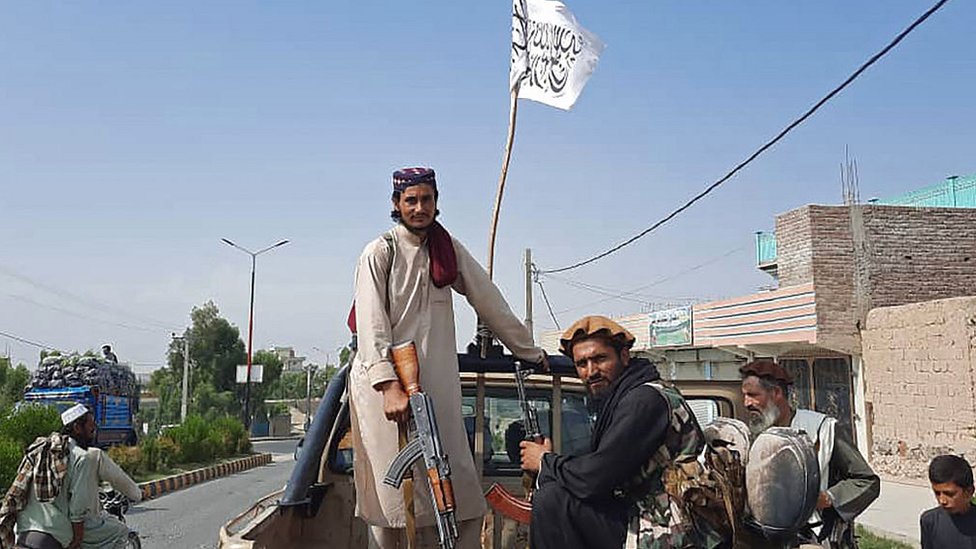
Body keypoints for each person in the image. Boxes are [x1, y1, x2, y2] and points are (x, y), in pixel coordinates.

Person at [349, 166, 546, 549]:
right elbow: (371, 327)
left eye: (426, 199)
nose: (419, 207)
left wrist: (528, 350)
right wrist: (388, 385)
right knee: (389, 501)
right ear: (396, 204)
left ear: (437, 203)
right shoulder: (380, 253)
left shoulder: (446, 249)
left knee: (458, 489)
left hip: (436, 386)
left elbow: (488, 299)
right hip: (385, 390)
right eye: (411, 200)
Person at [520, 315, 722, 549]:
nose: (591, 371)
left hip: (674, 529)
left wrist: (545, 461)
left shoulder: (645, 400)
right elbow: (601, 467)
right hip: (647, 513)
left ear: (624, 357)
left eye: (600, 359)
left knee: (553, 500)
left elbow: (595, 478)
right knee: (556, 494)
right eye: (581, 364)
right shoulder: (623, 398)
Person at [740, 360, 880, 548]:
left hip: (813, 536)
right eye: (745, 395)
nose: (746, 403)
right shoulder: (751, 436)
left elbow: (866, 482)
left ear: (776, 393)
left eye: (753, 395)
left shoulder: (822, 429)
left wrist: (828, 498)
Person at [2, 404, 91, 549]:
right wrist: (77, 539)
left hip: (24, 532)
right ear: (77, 428)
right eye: (90, 424)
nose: (94, 428)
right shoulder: (80, 458)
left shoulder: (41, 449)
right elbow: (77, 508)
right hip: (54, 535)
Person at [920, 454, 976, 548]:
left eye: (950, 494)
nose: (942, 500)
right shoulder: (930, 521)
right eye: (937, 493)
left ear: (969, 492)